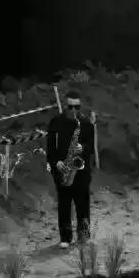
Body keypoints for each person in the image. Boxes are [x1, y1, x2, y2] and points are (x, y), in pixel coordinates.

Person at [46, 90, 96, 249]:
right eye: (70, 107)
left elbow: (91, 147)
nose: (74, 110)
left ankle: (83, 235)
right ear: (65, 105)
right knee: (64, 206)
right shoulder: (55, 122)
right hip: (63, 170)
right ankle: (65, 237)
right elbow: (50, 148)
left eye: (77, 107)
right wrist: (56, 163)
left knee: (83, 205)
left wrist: (83, 147)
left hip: (81, 171)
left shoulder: (86, 123)